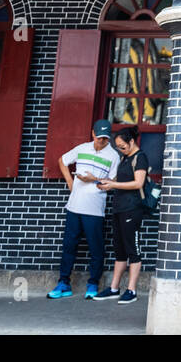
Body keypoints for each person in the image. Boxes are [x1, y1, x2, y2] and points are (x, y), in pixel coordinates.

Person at [49, 118, 120, 300]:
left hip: (95, 209)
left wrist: (94, 179)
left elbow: (113, 183)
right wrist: (71, 183)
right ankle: (64, 283)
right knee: (69, 246)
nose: (102, 141)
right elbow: (62, 161)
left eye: (105, 138)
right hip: (74, 206)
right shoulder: (81, 149)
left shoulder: (113, 156)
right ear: (93, 134)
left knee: (95, 248)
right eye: (99, 137)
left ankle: (93, 284)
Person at [95, 125, 150, 304]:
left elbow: (138, 183)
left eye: (122, 146)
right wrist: (108, 182)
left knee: (132, 250)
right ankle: (113, 288)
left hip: (132, 209)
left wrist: (113, 185)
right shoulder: (124, 158)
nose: (120, 149)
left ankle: (131, 290)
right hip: (119, 208)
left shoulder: (140, 157)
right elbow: (122, 180)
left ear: (132, 141)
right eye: (118, 147)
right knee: (119, 250)